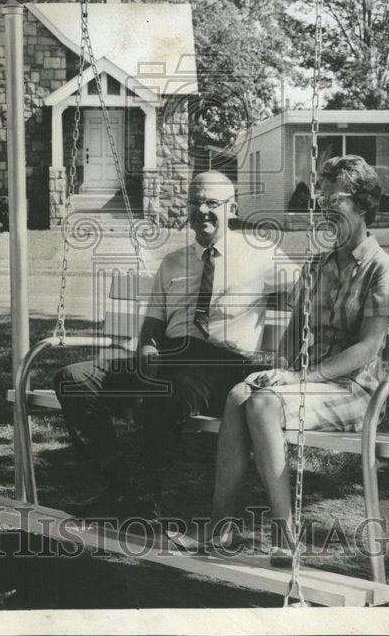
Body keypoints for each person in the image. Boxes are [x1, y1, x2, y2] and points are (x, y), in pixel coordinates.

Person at [54, 171, 294, 519]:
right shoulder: (173, 262)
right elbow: (152, 325)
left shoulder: (261, 254)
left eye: (213, 202)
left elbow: (309, 295)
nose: (203, 210)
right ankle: (122, 492)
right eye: (195, 201)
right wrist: (148, 346)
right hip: (168, 357)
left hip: (221, 365)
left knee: (161, 391)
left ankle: (147, 496)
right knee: (74, 380)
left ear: (233, 208)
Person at [208, 155, 389, 562]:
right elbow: (296, 329)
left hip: (357, 391)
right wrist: (277, 370)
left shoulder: (382, 269)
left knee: (262, 405)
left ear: (363, 204)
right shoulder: (318, 265)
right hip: (311, 384)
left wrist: (301, 378)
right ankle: (221, 528)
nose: (325, 208)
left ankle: (286, 538)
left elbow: (368, 348)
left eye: (336, 199)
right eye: (322, 199)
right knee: (240, 394)